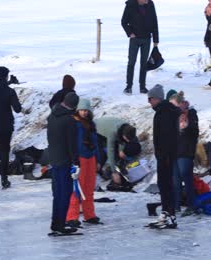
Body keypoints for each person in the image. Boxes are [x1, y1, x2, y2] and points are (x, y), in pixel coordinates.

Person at [147, 84, 181, 229]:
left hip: (165, 155)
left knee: (165, 184)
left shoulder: (164, 112)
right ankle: (167, 213)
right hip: (166, 154)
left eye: (150, 99)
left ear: (157, 98)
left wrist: (164, 154)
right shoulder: (165, 111)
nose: (149, 102)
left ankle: (169, 214)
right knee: (165, 184)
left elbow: (166, 136)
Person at [66, 99, 102, 228]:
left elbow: (96, 144)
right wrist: (73, 160)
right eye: (82, 110)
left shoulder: (91, 124)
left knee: (89, 187)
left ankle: (89, 214)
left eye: (86, 110)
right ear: (77, 110)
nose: (84, 112)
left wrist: (97, 160)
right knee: (77, 189)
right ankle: (72, 216)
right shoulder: (74, 124)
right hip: (80, 159)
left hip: (90, 158)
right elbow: (72, 144)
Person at [47, 92, 80, 235]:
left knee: (57, 193)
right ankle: (60, 225)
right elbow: (71, 144)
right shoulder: (69, 121)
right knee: (65, 193)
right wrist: (76, 162)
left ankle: (56, 223)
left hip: (54, 158)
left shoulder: (52, 115)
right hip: (65, 161)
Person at [167, 90, 199, 216]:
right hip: (174, 150)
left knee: (186, 177)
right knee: (175, 180)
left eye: (173, 105)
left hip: (185, 150)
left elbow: (195, 132)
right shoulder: (172, 115)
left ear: (180, 104)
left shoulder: (190, 114)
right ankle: (176, 205)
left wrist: (186, 128)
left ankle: (191, 205)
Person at [121, 0, 159, 95]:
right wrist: (130, 33)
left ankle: (142, 86)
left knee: (144, 64)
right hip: (135, 39)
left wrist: (156, 39)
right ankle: (128, 86)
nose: (147, 1)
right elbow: (124, 22)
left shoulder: (150, 4)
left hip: (146, 39)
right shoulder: (130, 5)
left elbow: (154, 21)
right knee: (131, 63)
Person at [94, 117, 141, 191]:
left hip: (113, 129)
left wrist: (122, 154)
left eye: (129, 139)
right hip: (97, 131)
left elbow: (135, 148)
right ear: (123, 135)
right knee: (102, 155)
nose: (128, 140)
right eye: (126, 138)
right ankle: (97, 175)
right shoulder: (113, 133)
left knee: (120, 153)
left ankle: (118, 169)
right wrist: (114, 172)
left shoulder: (130, 132)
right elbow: (110, 151)